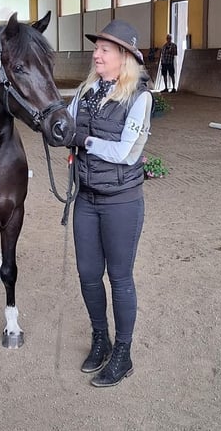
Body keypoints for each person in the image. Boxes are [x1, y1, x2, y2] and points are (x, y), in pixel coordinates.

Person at [66, 19, 153, 388]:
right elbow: (63, 124)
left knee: (119, 278)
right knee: (88, 276)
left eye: (104, 49)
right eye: (96, 48)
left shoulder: (140, 97)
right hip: (86, 198)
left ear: (123, 57)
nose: (96, 54)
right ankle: (100, 338)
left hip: (121, 201)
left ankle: (123, 352)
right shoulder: (85, 91)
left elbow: (126, 154)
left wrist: (82, 141)